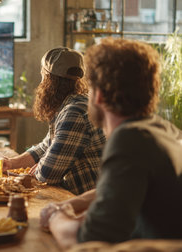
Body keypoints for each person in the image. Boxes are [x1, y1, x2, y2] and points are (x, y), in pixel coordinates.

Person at [40, 38, 182, 249]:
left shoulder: (129, 140)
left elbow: (88, 240)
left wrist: (55, 218)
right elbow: (116, 191)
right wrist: (69, 204)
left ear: (99, 96)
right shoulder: (162, 129)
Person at [4, 47, 105, 195]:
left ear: (47, 79)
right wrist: (11, 163)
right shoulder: (73, 104)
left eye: (42, 75)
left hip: (86, 204)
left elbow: (47, 174)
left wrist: (40, 166)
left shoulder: (74, 112)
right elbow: (46, 146)